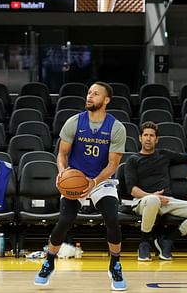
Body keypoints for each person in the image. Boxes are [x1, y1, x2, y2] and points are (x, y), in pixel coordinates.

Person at [34, 81, 127, 291]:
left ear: (106, 100)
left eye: (95, 94)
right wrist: (63, 172)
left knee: (112, 219)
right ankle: (49, 261)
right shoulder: (74, 122)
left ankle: (115, 263)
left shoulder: (116, 127)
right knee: (65, 220)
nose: (89, 96)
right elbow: (62, 154)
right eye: (89, 93)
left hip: (101, 181)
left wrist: (94, 182)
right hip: (75, 178)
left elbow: (113, 164)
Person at [125, 121, 187, 261]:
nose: (148, 138)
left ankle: (168, 240)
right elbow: (133, 190)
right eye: (145, 135)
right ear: (140, 138)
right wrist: (152, 196)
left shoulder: (164, 154)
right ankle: (144, 243)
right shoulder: (133, 160)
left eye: (152, 135)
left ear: (156, 139)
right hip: (143, 201)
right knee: (153, 200)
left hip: (167, 201)